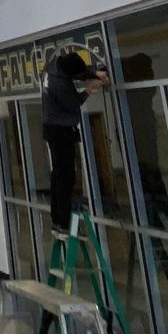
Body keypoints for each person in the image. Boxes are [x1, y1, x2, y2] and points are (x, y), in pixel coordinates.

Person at [40, 46, 109, 236]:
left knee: (58, 175)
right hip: (60, 131)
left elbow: (75, 71)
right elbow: (74, 103)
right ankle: (62, 221)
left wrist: (94, 72)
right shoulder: (59, 85)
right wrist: (90, 88)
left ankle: (57, 218)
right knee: (66, 176)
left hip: (52, 127)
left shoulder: (52, 67)